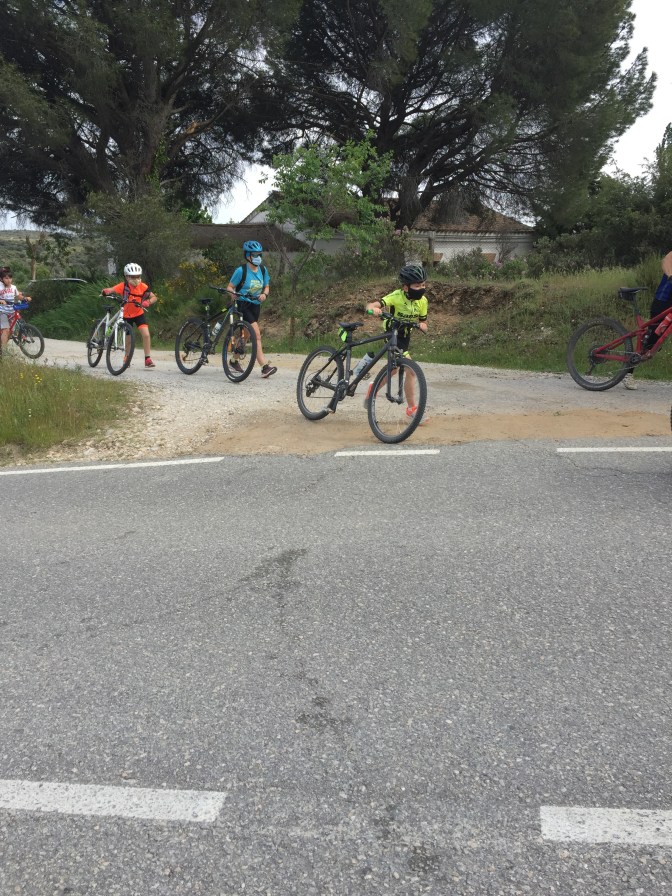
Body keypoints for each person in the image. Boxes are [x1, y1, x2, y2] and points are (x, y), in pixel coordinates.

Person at [363, 263, 429, 420]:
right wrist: (373, 309)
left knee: (394, 369)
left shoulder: (423, 301)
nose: (421, 288)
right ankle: (412, 409)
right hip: (392, 333)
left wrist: (423, 326)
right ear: (406, 287)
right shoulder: (396, 296)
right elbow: (372, 305)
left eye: (423, 285)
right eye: (417, 286)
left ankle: (373, 388)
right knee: (410, 370)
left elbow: (424, 321)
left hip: (405, 336)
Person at [226, 241, 277, 378]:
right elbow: (230, 287)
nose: (257, 257)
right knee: (256, 335)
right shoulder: (241, 271)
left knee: (247, 335)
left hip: (256, 306)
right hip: (243, 304)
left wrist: (264, 294)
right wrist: (233, 294)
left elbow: (266, 286)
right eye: (254, 255)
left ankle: (233, 361)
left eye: (259, 254)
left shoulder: (262, 270)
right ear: (247, 255)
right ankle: (264, 367)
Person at [623, 250, 672, 390]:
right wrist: (670, 275)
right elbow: (666, 261)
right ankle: (628, 373)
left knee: (657, 342)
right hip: (664, 301)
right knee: (651, 341)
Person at [101, 263, 159, 368]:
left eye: (138, 276)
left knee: (146, 335)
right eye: (133, 277)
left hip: (138, 313)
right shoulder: (123, 286)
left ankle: (147, 359)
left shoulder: (143, 287)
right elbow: (112, 289)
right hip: (127, 315)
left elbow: (154, 297)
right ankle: (127, 357)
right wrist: (106, 291)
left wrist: (148, 302)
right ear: (127, 277)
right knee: (128, 338)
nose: (136, 279)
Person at [0, 267, 31, 355]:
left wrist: (25, 298)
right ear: (2, 279)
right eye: (6, 278)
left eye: (10, 278)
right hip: (2, 311)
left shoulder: (14, 287)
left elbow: (18, 296)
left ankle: (2, 347)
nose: (9, 280)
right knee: (6, 330)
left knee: (11, 331)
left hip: (12, 311)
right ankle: (4, 352)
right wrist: (1, 300)